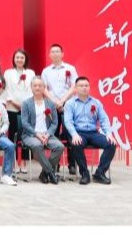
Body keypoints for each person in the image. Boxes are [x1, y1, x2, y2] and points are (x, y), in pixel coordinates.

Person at [63, 76, 117, 185]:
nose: (84, 88)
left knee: (111, 144)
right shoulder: (70, 103)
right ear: (76, 88)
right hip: (78, 133)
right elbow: (68, 121)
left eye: (86, 85)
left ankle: (100, 173)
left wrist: (108, 133)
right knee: (76, 144)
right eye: (81, 86)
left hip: (93, 133)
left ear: (89, 87)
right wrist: (74, 134)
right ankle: (85, 173)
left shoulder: (96, 102)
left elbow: (104, 119)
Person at [41, 43, 80, 174]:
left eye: (58, 51)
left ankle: (72, 164)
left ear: (62, 54)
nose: (55, 54)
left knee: (70, 134)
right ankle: (55, 163)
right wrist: (55, 102)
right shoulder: (46, 71)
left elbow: (74, 86)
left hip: (68, 105)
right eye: (53, 52)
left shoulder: (70, 68)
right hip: (52, 106)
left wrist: (62, 101)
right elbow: (44, 89)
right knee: (53, 134)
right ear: (50, 55)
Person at [19, 77, 64, 184]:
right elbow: (25, 123)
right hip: (31, 135)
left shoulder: (50, 104)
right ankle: (51, 173)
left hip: (47, 135)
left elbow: (54, 123)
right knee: (37, 145)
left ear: (44, 88)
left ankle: (44, 173)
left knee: (59, 146)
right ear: (31, 88)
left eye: (40, 85)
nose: (37, 88)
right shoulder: (26, 103)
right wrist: (37, 134)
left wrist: (47, 135)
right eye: (35, 85)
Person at [3, 48, 35, 172]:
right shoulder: (8, 73)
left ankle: (25, 162)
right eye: (17, 57)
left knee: (26, 134)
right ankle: (15, 162)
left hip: (27, 108)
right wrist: (14, 102)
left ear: (25, 59)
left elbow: (32, 89)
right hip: (11, 107)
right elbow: (6, 90)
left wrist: (24, 105)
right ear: (14, 59)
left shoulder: (30, 73)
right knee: (13, 135)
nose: (19, 60)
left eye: (22, 57)